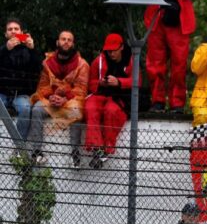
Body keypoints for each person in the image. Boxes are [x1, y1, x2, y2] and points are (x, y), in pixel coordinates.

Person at [130, 0, 207, 111]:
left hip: (179, 23)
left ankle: (177, 104)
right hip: (156, 22)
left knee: (179, 66)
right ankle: (157, 101)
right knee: (155, 65)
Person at [29, 30, 88, 166]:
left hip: (70, 102)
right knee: (37, 109)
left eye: (69, 40)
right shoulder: (47, 62)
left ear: (73, 44)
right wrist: (51, 96)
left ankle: (75, 154)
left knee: (77, 112)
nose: (66, 42)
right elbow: (42, 86)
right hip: (51, 100)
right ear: (57, 42)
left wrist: (65, 98)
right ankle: (37, 152)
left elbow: (81, 90)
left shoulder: (82, 64)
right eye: (63, 39)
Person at [83, 33, 132, 168]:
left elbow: (137, 81)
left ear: (121, 47)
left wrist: (119, 82)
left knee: (111, 110)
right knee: (90, 107)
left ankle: (107, 148)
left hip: (120, 96)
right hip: (101, 93)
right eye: (108, 50)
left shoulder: (131, 60)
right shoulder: (98, 61)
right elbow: (91, 83)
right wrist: (100, 83)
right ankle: (96, 148)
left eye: (114, 50)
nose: (111, 53)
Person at [1, 18, 41, 141]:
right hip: (2, 93)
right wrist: (5, 49)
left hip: (21, 94)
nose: (13, 31)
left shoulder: (28, 50)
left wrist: (32, 49)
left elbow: (38, 69)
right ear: (6, 34)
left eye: (16, 29)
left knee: (25, 109)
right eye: (10, 29)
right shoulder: (2, 49)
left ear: (22, 32)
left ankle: (19, 146)